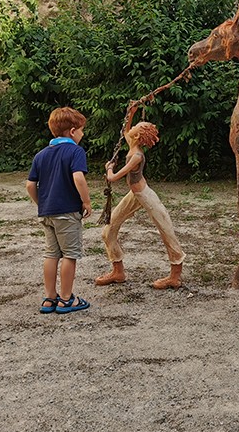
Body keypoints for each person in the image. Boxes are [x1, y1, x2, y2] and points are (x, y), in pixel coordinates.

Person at [98, 121, 185, 290]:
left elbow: (113, 177)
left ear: (137, 136)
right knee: (109, 230)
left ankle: (175, 276)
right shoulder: (132, 144)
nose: (132, 128)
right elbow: (125, 128)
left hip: (145, 195)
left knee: (166, 231)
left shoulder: (137, 155)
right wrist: (133, 109)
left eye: (136, 126)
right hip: (134, 195)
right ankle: (118, 271)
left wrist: (109, 168)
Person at [26, 107, 93, 314]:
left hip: (47, 213)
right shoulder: (75, 151)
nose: (82, 134)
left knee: (51, 255)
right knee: (69, 255)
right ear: (72, 131)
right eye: (81, 130)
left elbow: (30, 185)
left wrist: (42, 203)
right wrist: (87, 201)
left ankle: (49, 298)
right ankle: (66, 299)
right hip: (68, 212)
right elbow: (78, 178)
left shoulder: (41, 154)